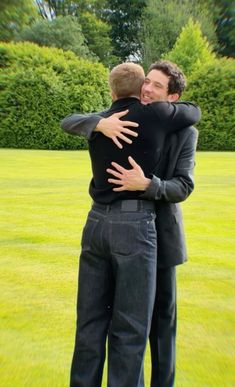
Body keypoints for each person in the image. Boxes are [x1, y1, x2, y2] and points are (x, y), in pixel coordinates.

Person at [62, 60, 199, 387]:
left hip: (161, 236)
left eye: (156, 86)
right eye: (146, 82)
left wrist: (148, 184)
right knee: (126, 324)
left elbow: (184, 186)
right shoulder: (122, 114)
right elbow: (72, 120)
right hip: (132, 231)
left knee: (161, 324)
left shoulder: (184, 130)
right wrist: (98, 124)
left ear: (173, 97)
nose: (147, 89)